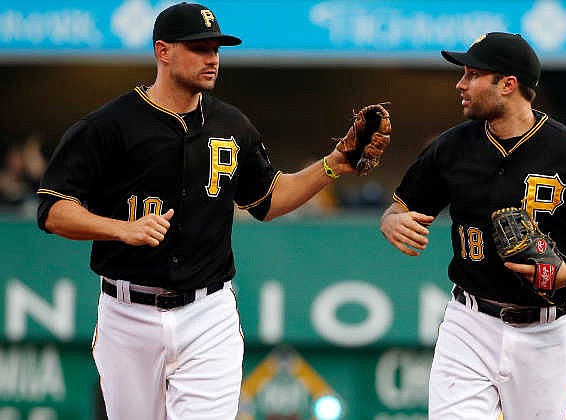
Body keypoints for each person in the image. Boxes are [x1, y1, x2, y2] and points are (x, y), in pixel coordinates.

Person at [36, 3, 384, 419]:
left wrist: (334, 164)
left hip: (208, 312)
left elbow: (269, 199)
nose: (212, 57)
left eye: (216, 48)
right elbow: (53, 208)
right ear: (162, 51)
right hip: (128, 312)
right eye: (199, 47)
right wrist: (119, 229)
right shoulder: (110, 126)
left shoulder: (231, 124)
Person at [380, 32, 566, 419]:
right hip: (468, 322)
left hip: (547, 331)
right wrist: (391, 221)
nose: (460, 83)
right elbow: (400, 208)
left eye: (472, 74)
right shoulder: (451, 147)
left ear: (508, 84)